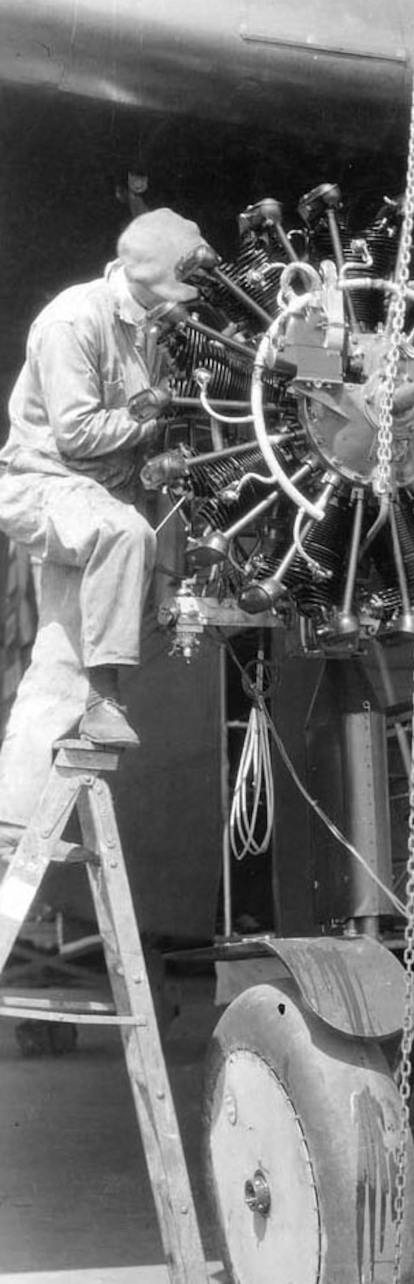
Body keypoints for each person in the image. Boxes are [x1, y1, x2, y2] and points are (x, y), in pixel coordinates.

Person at [0, 208, 208, 857]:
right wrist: (156, 421)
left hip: (93, 497)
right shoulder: (73, 318)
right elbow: (79, 434)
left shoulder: (149, 326)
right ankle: (106, 698)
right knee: (127, 533)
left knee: (57, 662)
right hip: (42, 486)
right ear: (153, 279)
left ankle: (8, 820)